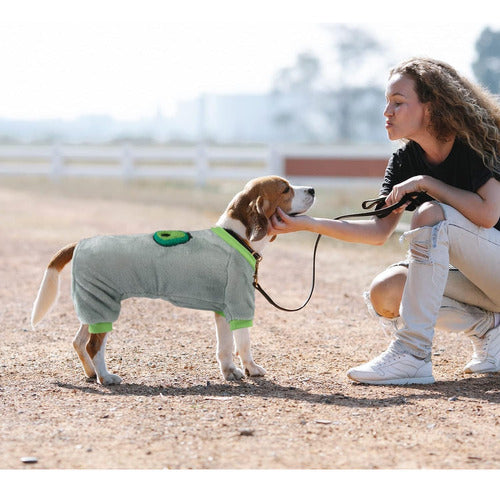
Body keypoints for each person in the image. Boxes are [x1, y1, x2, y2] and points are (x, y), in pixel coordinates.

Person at [269, 57, 500, 385]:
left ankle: (413, 353)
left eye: (398, 102)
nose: (386, 112)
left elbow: (488, 214)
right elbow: (378, 232)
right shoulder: (405, 160)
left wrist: (427, 184)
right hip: (482, 284)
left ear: (430, 108)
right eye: (387, 102)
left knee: (429, 214)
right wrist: (309, 223)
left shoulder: (472, 144)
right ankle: (491, 329)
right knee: (386, 292)